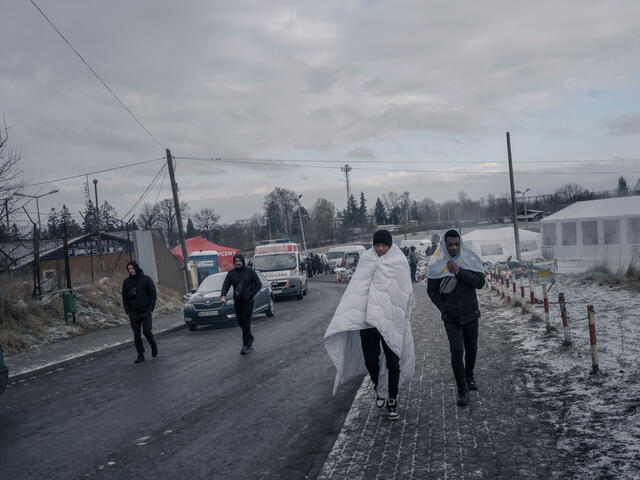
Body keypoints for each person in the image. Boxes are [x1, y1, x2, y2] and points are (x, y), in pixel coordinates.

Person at [324, 229, 415, 421]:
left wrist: (403, 315)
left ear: (390, 245)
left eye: (384, 245)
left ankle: (392, 400)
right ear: (373, 245)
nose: (380, 249)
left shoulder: (399, 262)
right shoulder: (366, 260)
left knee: (393, 361)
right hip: (368, 321)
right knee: (371, 361)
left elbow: (405, 291)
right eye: (377, 245)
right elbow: (355, 289)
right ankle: (378, 387)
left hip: (390, 319)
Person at [426, 229, 485, 407]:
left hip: (471, 314)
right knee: (457, 351)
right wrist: (444, 309)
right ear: (444, 245)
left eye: (456, 244)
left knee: (471, 348)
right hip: (451, 318)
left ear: (460, 244)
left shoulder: (469, 259)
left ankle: (469, 376)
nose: (453, 247)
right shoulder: (437, 264)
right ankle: (462, 390)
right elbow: (432, 291)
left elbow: (480, 283)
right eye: (450, 244)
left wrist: (458, 271)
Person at [220, 254, 263, 355]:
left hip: (248, 301)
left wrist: (251, 295)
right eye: (236, 261)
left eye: (239, 261)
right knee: (240, 322)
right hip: (238, 301)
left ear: (243, 261)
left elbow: (259, 284)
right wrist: (223, 295)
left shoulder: (250, 272)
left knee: (245, 322)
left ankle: (246, 345)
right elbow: (225, 285)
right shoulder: (231, 273)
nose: (238, 263)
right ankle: (250, 337)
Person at [122, 261, 158, 364]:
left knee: (146, 331)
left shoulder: (146, 279)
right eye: (129, 269)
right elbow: (124, 297)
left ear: (136, 268)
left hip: (146, 311)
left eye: (132, 269)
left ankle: (153, 345)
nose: (131, 271)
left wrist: (150, 310)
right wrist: (128, 310)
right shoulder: (126, 282)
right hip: (133, 312)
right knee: (136, 335)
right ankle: (140, 355)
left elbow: (153, 295)